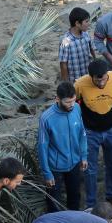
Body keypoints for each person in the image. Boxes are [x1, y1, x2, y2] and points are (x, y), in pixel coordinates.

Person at [76, 59, 112, 212]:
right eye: (97, 80)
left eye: (104, 79)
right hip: (90, 133)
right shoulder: (80, 84)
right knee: (90, 169)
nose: (101, 83)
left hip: (111, 130)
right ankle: (91, 204)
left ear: (107, 74)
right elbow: (73, 105)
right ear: (91, 77)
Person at [38, 81, 88, 212]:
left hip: (75, 163)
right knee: (53, 202)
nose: (71, 105)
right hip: (55, 168)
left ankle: (74, 220)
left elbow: (82, 133)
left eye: (73, 100)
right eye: (67, 102)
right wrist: (47, 173)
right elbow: (42, 147)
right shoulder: (46, 118)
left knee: (75, 197)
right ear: (57, 99)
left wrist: (84, 155)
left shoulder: (77, 108)